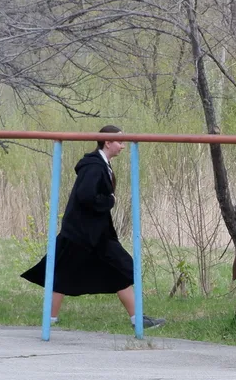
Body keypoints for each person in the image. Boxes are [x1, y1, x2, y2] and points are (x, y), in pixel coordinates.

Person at [20, 126, 163, 330]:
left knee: (119, 269)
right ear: (107, 142)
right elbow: (86, 196)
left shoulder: (101, 164)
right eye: (120, 142)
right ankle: (49, 321)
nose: (123, 146)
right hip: (82, 234)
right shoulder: (94, 166)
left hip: (95, 234)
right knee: (63, 272)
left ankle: (137, 319)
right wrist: (109, 200)